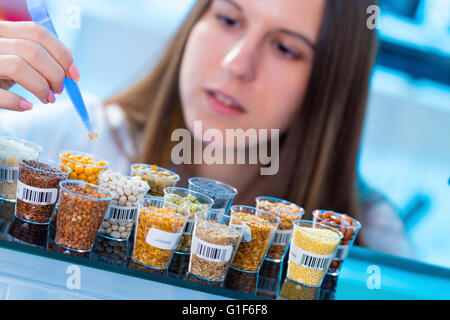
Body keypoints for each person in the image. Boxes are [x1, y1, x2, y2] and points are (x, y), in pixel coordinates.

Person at [0, 0, 415, 257]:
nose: (237, 63)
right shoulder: (53, 141)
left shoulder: (371, 240)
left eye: (285, 48)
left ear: (330, 85)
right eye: (230, 19)